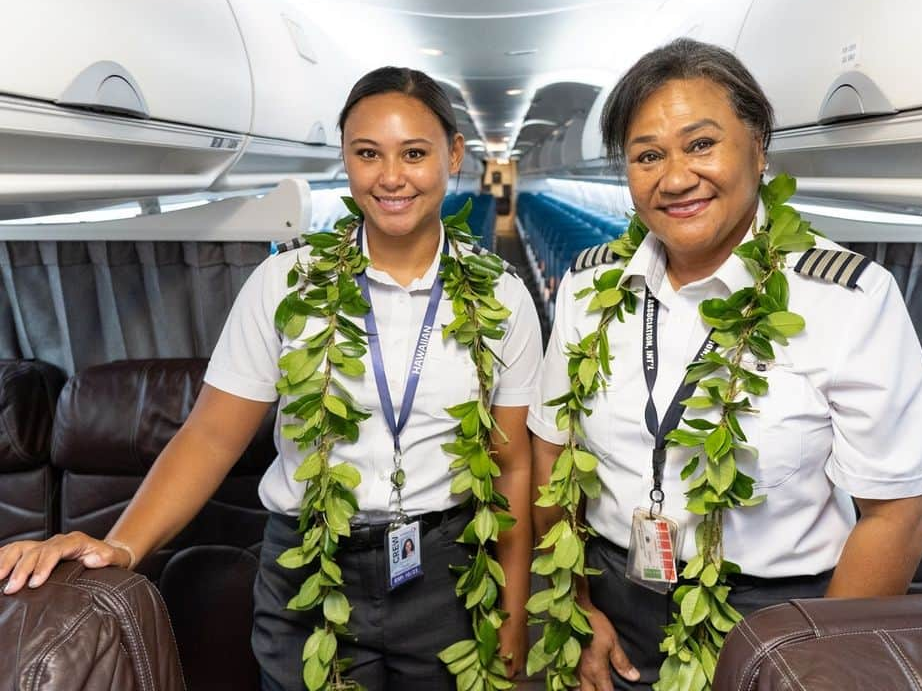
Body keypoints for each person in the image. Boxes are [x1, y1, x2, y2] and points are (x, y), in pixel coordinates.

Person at [0, 66, 541, 691]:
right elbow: (209, 436)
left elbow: (511, 465)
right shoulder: (285, 285)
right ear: (345, 158)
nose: (391, 177)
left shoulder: (502, 297)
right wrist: (120, 547)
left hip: (449, 571)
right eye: (368, 154)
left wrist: (513, 605)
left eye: (414, 154)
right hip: (307, 570)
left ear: (453, 155)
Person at [528, 38, 922, 691]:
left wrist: (817, 663)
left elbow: (902, 513)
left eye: (700, 144)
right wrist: (576, 607)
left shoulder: (847, 299)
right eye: (647, 155)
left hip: (778, 617)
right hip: (614, 599)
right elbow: (553, 456)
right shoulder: (588, 287)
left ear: (760, 146)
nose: (674, 177)